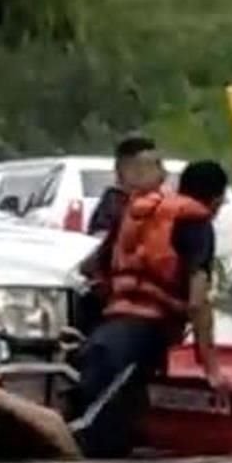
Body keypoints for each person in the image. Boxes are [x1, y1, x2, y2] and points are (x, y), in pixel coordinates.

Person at [0, 160, 232, 460]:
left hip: (106, 333)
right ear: (217, 200)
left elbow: (92, 272)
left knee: (103, 434)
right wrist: (213, 370)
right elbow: (198, 302)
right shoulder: (197, 224)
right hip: (136, 344)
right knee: (79, 446)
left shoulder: (139, 213)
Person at [76, 135, 165, 334]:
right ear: (126, 171)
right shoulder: (114, 208)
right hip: (117, 308)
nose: (162, 174)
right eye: (153, 166)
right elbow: (96, 257)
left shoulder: (159, 207)